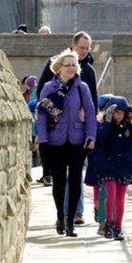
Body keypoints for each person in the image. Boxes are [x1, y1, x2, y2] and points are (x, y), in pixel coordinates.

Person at [36, 31, 98, 224]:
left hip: (78, 133)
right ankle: (62, 213)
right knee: (61, 176)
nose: (85, 51)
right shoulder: (54, 64)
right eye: (82, 47)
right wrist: (56, 113)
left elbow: (92, 104)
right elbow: (42, 96)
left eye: (87, 48)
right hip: (58, 133)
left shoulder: (88, 72)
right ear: (72, 46)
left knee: (76, 176)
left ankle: (76, 213)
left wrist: (90, 128)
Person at [96, 96, 132, 241]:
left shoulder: (130, 127)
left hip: (125, 167)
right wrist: (106, 121)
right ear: (110, 113)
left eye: (122, 112)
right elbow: (100, 138)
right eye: (116, 112)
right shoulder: (104, 125)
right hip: (108, 167)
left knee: (120, 199)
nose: (119, 115)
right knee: (111, 195)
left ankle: (118, 227)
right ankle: (108, 224)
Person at [85, 93, 114, 235]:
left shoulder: (97, 123)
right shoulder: (98, 124)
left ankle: (102, 217)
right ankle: (102, 221)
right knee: (101, 193)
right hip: (99, 163)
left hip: (100, 162)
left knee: (102, 193)